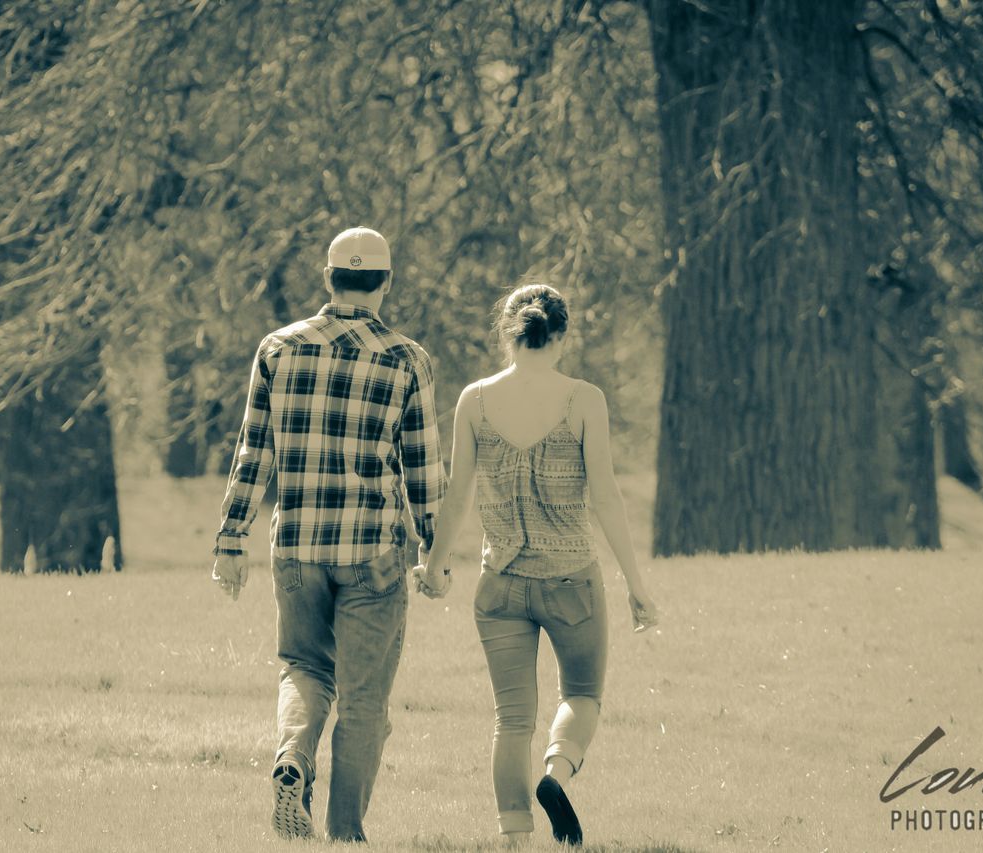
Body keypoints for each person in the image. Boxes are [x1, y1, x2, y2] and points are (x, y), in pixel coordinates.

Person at [210, 226, 446, 843]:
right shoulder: (406, 359)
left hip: (296, 547)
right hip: (374, 552)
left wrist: (230, 541)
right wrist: (436, 551)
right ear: (386, 283)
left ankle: (293, 757)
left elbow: (252, 453)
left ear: (328, 278)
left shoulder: (278, 349)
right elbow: (423, 469)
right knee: (364, 701)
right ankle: (346, 835)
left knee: (303, 668)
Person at [412, 283, 658, 847]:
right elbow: (605, 497)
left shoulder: (474, 399)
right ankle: (557, 774)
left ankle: (514, 838)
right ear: (563, 336)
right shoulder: (583, 400)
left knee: (511, 719)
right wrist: (636, 585)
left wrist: (434, 566)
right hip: (572, 579)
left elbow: (457, 495)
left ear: (509, 333)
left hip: (499, 585)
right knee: (582, 696)